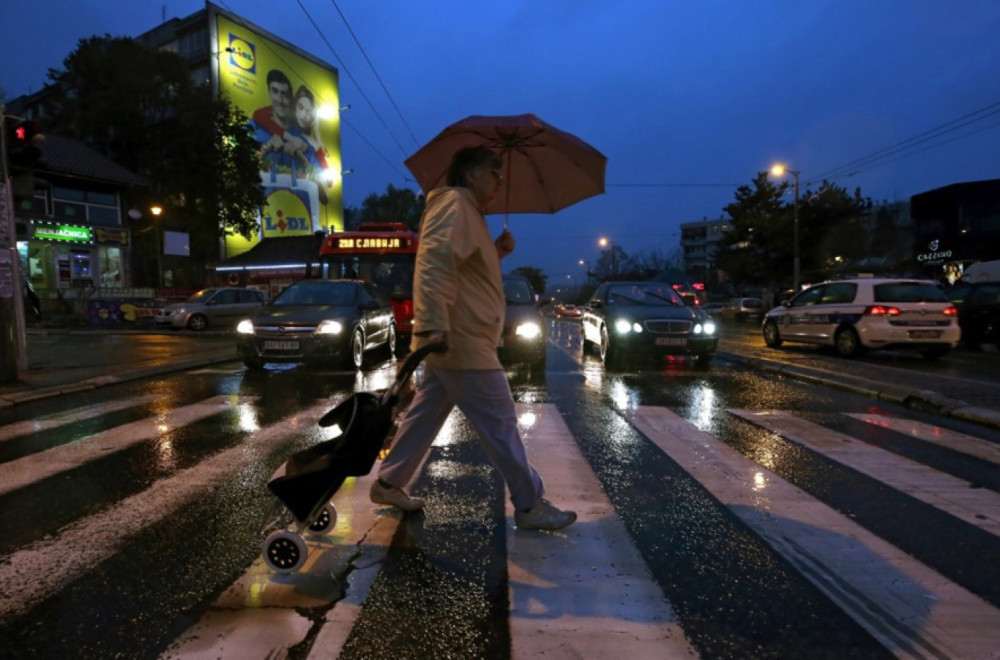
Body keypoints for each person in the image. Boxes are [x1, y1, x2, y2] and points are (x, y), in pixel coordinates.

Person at [369, 145, 577, 531]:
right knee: (500, 423)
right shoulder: (456, 205)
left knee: (424, 416)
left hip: (459, 338)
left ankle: (388, 482)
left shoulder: (467, 212)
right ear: (470, 175)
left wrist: (495, 252)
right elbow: (435, 263)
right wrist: (432, 325)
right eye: (493, 173)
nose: (499, 181)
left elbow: (465, 270)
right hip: (461, 340)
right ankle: (530, 504)